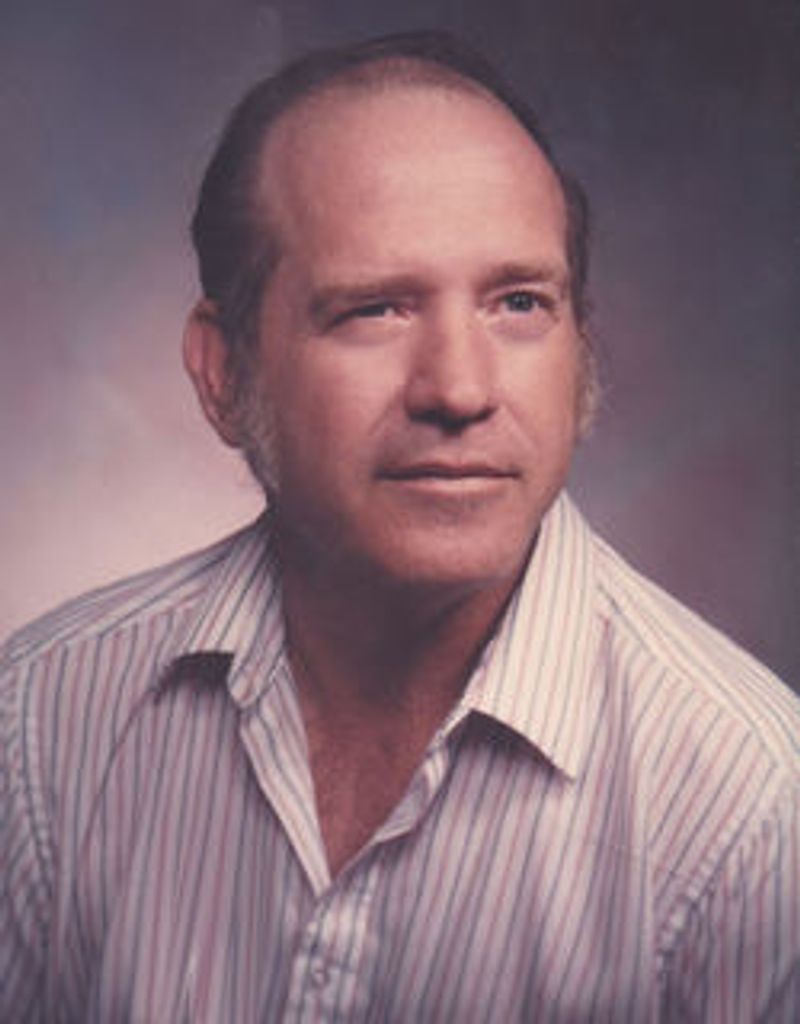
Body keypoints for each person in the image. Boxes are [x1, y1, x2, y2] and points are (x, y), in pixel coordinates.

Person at [1, 31, 797, 1023]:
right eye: (375, 309)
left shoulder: (752, 812)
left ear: (580, 347)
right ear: (224, 372)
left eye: (519, 302)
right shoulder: (39, 721)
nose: (459, 389)